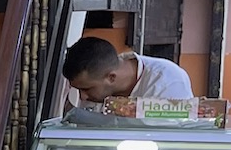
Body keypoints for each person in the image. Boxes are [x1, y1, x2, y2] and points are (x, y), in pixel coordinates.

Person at [61, 35, 193, 107]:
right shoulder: (103, 75)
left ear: (111, 77)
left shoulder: (167, 83)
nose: (82, 97)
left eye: (87, 89)